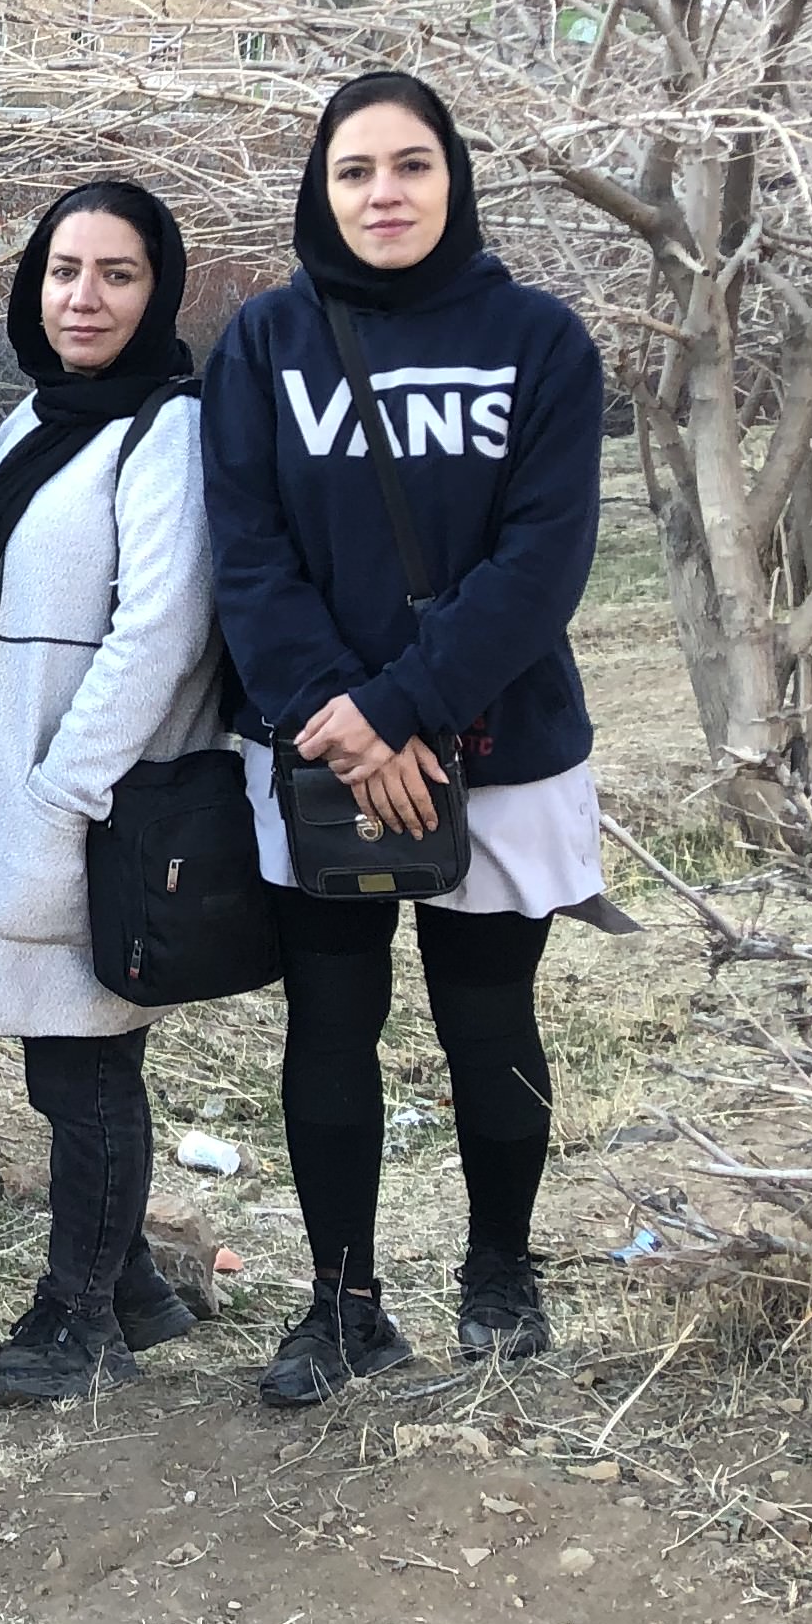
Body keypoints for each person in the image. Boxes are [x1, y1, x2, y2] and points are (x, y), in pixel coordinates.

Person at [202, 71, 612, 1406]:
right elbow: (247, 554)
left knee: (489, 1017)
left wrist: (400, 707)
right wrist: (347, 720)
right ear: (320, 191)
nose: (384, 193)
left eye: (411, 165)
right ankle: (343, 1304)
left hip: (497, 749)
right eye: (355, 171)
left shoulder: (539, 341)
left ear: (455, 178)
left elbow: (542, 562)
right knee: (330, 1023)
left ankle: (500, 1272)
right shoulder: (266, 342)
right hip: (319, 750)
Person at [0, 180, 223, 1404]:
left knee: (85, 1063)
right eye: (65, 271)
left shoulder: (168, 428)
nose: (85, 297)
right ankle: (141, 1289)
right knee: (59, 1050)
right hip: (19, 779)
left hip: (94, 796)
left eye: (118, 274)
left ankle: (78, 1313)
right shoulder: (39, 419)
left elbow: (163, 629)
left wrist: (67, 789)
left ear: (158, 291)